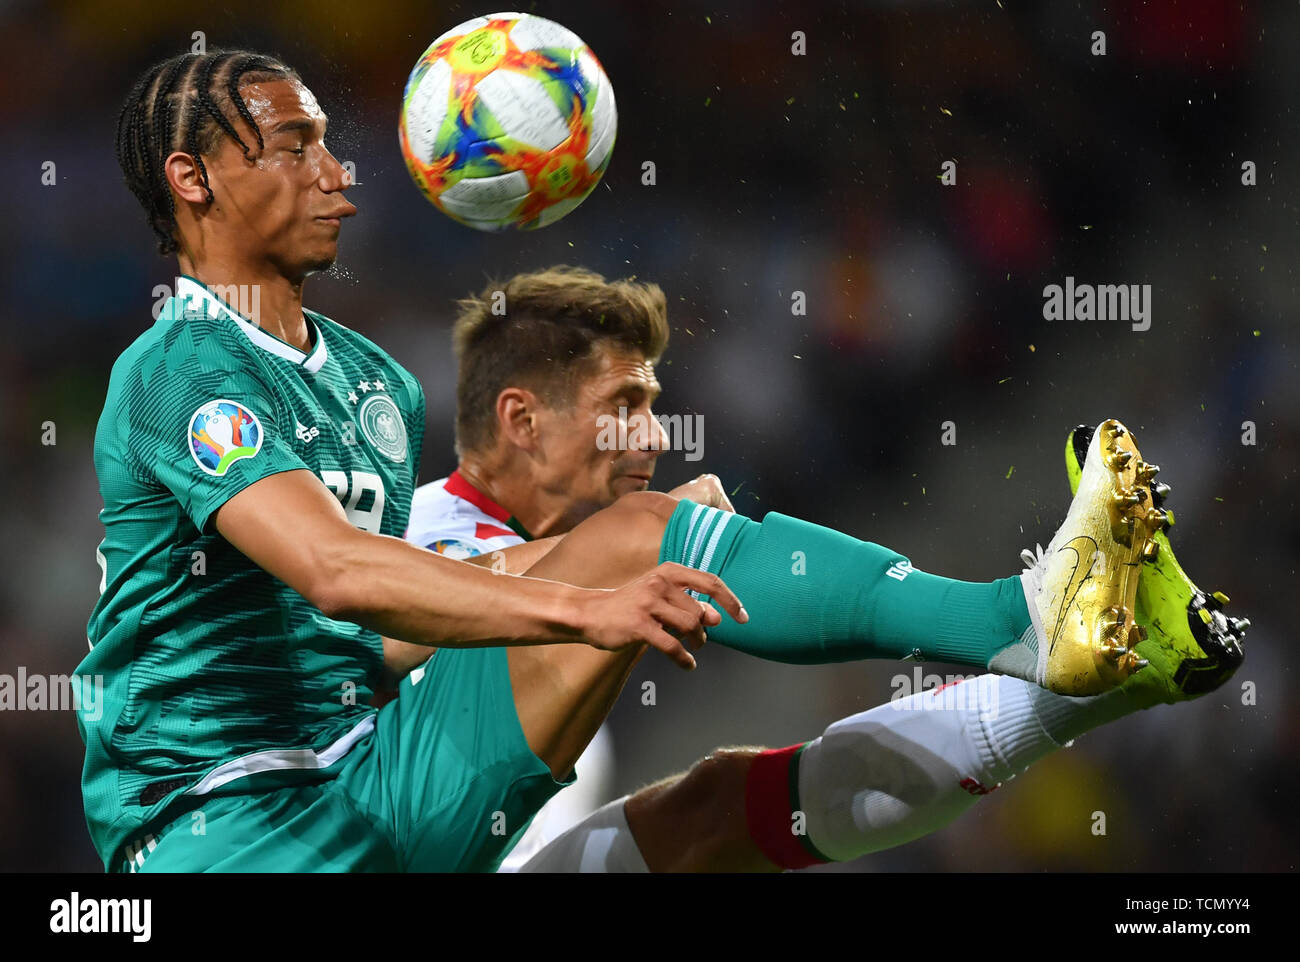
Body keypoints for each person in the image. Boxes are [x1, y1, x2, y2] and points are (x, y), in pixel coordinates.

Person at [88, 50, 1167, 873]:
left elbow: (360, 636)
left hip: (361, 772)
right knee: (650, 623)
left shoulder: (370, 381)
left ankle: (1064, 652)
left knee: (691, 736)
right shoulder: (178, 371)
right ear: (193, 179)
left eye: (330, 140)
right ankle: (1020, 627)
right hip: (221, 824)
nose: (337, 171)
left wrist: (584, 558)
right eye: (293, 146)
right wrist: (586, 601)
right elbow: (333, 570)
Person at [395, 266, 1248, 872]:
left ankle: (1106, 678)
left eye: (654, 409)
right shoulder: (421, 526)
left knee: (723, 802)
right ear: (522, 420)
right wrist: (640, 536)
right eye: (625, 410)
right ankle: (1019, 619)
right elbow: (389, 625)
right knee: (649, 534)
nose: (654, 440)